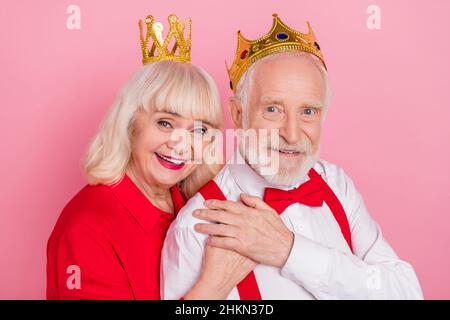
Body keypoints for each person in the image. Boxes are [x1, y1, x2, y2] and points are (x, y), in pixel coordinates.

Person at [161, 14, 423, 299]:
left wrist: (290, 250)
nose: (293, 134)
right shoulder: (198, 227)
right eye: (273, 109)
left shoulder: (336, 184)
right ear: (238, 114)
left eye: (308, 111)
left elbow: (406, 292)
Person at [46, 14, 252, 300]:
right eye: (165, 123)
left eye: (199, 130)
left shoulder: (191, 204)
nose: (182, 144)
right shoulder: (86, 227)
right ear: (130, 125)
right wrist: (212, 288)